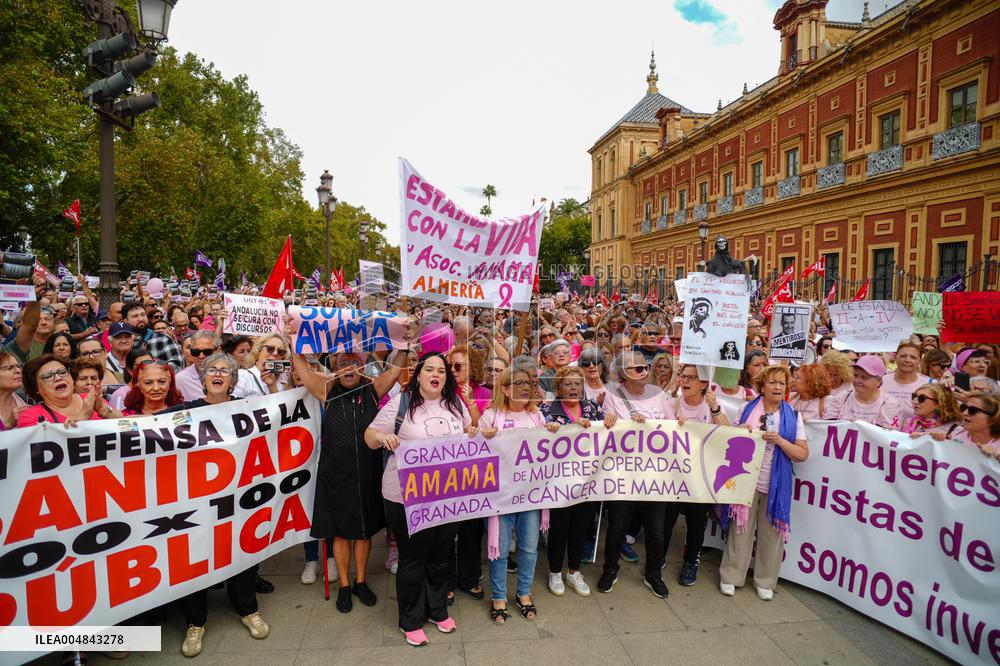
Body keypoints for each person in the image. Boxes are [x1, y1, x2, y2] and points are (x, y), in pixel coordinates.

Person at [165, 352, 270, 657]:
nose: (218, 373)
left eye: (225, 370)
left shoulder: (246, 409)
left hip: (239, 499)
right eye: (212, 369)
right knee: (197, 557)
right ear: (204, 377)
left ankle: (248, 608)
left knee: (242, 550)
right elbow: (151, 434)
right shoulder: (186, 411)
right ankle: (195, 622)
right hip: (198, 502)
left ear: (233, 380)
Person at [364, 353, 472, 647]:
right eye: (429, 370)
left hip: (448, 495)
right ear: (418, 374)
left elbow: (467, 431)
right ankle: (410, 619)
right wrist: (382, 439)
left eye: (441, 370)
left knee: (439, 556)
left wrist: (474, 432)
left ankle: (437, 610)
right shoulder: (401, 403)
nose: (436, 375)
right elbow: (369, 435)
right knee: (413, 559)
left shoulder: (455, 403)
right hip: (405, 497)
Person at [292, 348, 402, 612]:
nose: (349, 368)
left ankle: (360, 582)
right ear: (336, 367)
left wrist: (406, 345)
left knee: (363, 532)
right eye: (343, 364)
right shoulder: (326, 389)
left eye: (354, 363)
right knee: (341, 533)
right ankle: (343, 584)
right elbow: (303, 370)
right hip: (336, 474)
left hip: (367, 471)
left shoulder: (372, 388)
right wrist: (292, 342)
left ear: (362, 367)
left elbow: (396, 369)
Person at [720, 365, 809, 600]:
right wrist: (742, 431)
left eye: (782, 383)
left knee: (772, 533)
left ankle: (766, 580)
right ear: (762, 386)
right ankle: (731, 576)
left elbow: (801, 453)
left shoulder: (793, 415)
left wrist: (779, 440)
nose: (778, 387)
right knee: (740, 528)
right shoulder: (746, 408)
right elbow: (729, 439)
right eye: (773, 382)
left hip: (776, 482)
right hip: (746, 478)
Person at [477, 360, 550, 623]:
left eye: (529, 384)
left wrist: (551, 432)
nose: (525, 388)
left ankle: (524, 593)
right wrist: (482, 435)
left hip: (529, 495)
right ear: (505, 389)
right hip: (500, 497)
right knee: (501, 548)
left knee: (530, 548)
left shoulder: (536, 416)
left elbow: (548, 450)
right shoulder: (491, 416)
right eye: (518, 384)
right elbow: (475, 445)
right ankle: (498, 596)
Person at [598, 350, 672, 598]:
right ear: (622, 375)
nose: (644, 372)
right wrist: (612, 421)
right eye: (636, 369)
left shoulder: (660, 396)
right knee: (618, 525)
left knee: (655, 528)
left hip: (655, 475)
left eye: (645, 367)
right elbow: (607, 431)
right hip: (623, 474)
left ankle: (654, 573)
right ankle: (610, 569)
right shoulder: (612, 396)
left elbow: (673, 429)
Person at [540, 366, 616, 598]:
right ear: (558, 387)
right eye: (568, 384)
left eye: (577, 384)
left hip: (587, 482)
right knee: (559, 529)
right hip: (559, 483)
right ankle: (554, 571)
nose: (573, 388)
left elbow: (608, 430)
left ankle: (574, 571)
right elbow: (538, 440)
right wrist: (551, 429)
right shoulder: (547, 410)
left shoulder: (592, 408)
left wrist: (610, 419)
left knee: (581, 528)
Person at [666, 364, 729, 586]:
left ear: (704, 383)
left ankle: (691, 561)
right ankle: (660, 556)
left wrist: (714, 410)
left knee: (695, 522)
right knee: (667, 519)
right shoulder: (672, 403)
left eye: (691, 377)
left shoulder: (711, 406)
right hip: (673, 475)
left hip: (701, 476)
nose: (685, 381)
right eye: (683, 376)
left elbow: (726, 434)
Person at [18, 354, 117, 427]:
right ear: (36, 388)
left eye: (62, 372)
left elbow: (128, 424)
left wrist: (105, 411)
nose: (58, 378)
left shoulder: (91, 399)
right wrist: (83, 416)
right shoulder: (29, 416)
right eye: (48, 376)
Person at [826, 356, 901, 429]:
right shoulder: (842, 398)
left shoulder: (890, 404)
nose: (857, 380)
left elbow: (887, 436)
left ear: (879, 381)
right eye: (855, 375)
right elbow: (825, 426)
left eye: (864, 377)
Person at [880, 342, 928, 425]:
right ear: (895, 358)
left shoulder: (927, 385)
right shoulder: (881, 381)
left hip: (913, 436)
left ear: (920, 361)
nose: (907, 360)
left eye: (913, 357)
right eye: (903, 356)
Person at [232, 333, 289, 398]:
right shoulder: (242, 376)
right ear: (259, 350)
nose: (275, 353)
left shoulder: (280, 386)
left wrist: (272, 387)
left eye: (280, 351)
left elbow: (280, 408)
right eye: (270, 348)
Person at [953, 392, 1000, 459]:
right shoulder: (955, 431)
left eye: (973, 410)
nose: (964, 413)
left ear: (993, 418)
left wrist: (996, 459)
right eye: (964, 407)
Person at [175, 331, 219, 401]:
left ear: (218, 350)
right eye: (196, 352)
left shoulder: (237, 376)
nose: (201, 356)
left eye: (207, 352)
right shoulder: (180, 379)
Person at [0, 352, 26, 430]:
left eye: (19, 366)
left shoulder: (27, 400)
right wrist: (8, 425)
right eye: (9, 368)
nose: (18, 370)